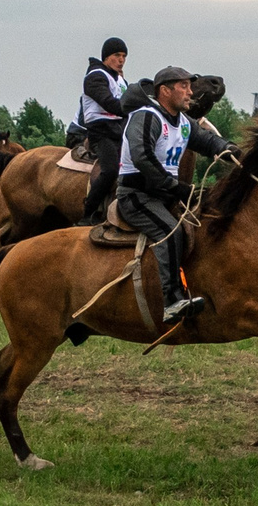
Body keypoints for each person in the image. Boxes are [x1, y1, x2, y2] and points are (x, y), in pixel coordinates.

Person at [105, 65, 229, 323]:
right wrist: (175, 188)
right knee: (170, 233)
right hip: (137, 195)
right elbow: (142, 157)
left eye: (189, 86)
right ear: (164, 91)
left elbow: (206, 141)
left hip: (165, 196)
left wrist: (229, 149)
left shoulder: (184, 122)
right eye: (183, 86)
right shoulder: (146, 116)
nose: (190, 92)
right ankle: (172, 301)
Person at [76, 37, 132, 222]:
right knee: (110, 171)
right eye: (117, 55)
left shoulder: (121, 80)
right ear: (107, 57)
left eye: (124, 56)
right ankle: (88, 213)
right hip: (100, 132)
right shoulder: (95, 76)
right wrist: (131, 107)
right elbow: (108, 103)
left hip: (120, 131)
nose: (121, 59)